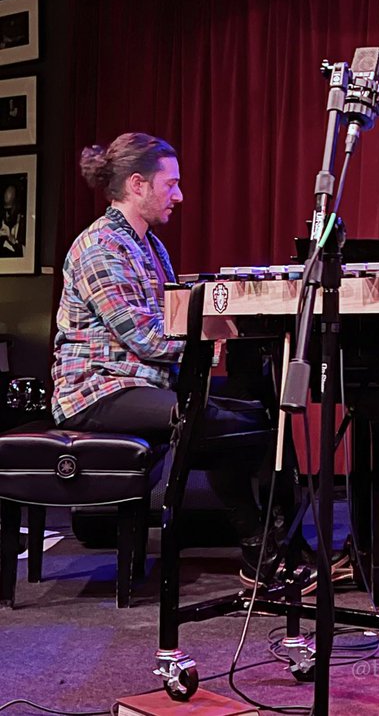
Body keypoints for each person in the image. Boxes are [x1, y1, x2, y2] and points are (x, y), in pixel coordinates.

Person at [51, 133, 295, 587]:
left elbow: (172, 322)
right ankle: (260, 554)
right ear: (138, 184)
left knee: (264, 412)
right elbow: (144, 336)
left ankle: (285, 546)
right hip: (98, 390)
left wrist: (220, 333)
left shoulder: (149, 246)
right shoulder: (102, 247)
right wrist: (214, 343)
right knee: (212, 417)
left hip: (141, 383)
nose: (179, 196)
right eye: (172, 184)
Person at [0, 183, 24, 257]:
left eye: (10, 209)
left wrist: (15, 243)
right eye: (5, 209)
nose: (7, 214)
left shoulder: (23, 223)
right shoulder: (2, 220)